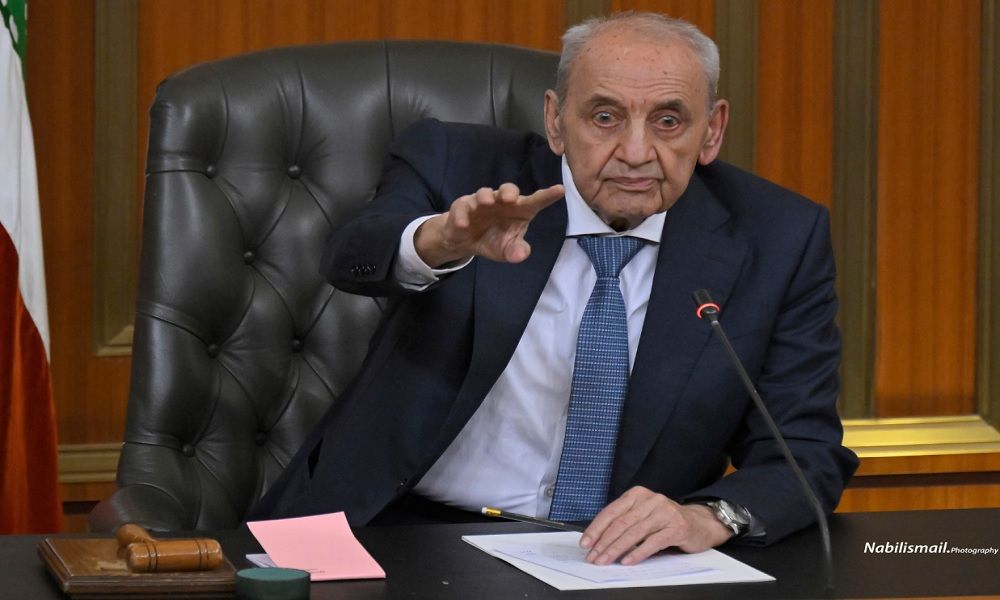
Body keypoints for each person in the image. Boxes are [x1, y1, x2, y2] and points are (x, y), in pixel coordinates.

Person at [249, 11, 858, 566]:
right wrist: (440, 241)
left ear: (712, 130)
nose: (636, 152)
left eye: (669, 121)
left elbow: (804, 449)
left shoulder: (778, 238)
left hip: (619, 560)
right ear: (555, 121)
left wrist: (707, 516)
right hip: (395, 530)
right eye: (605, 117)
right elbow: (353, 254)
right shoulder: (457, 166)